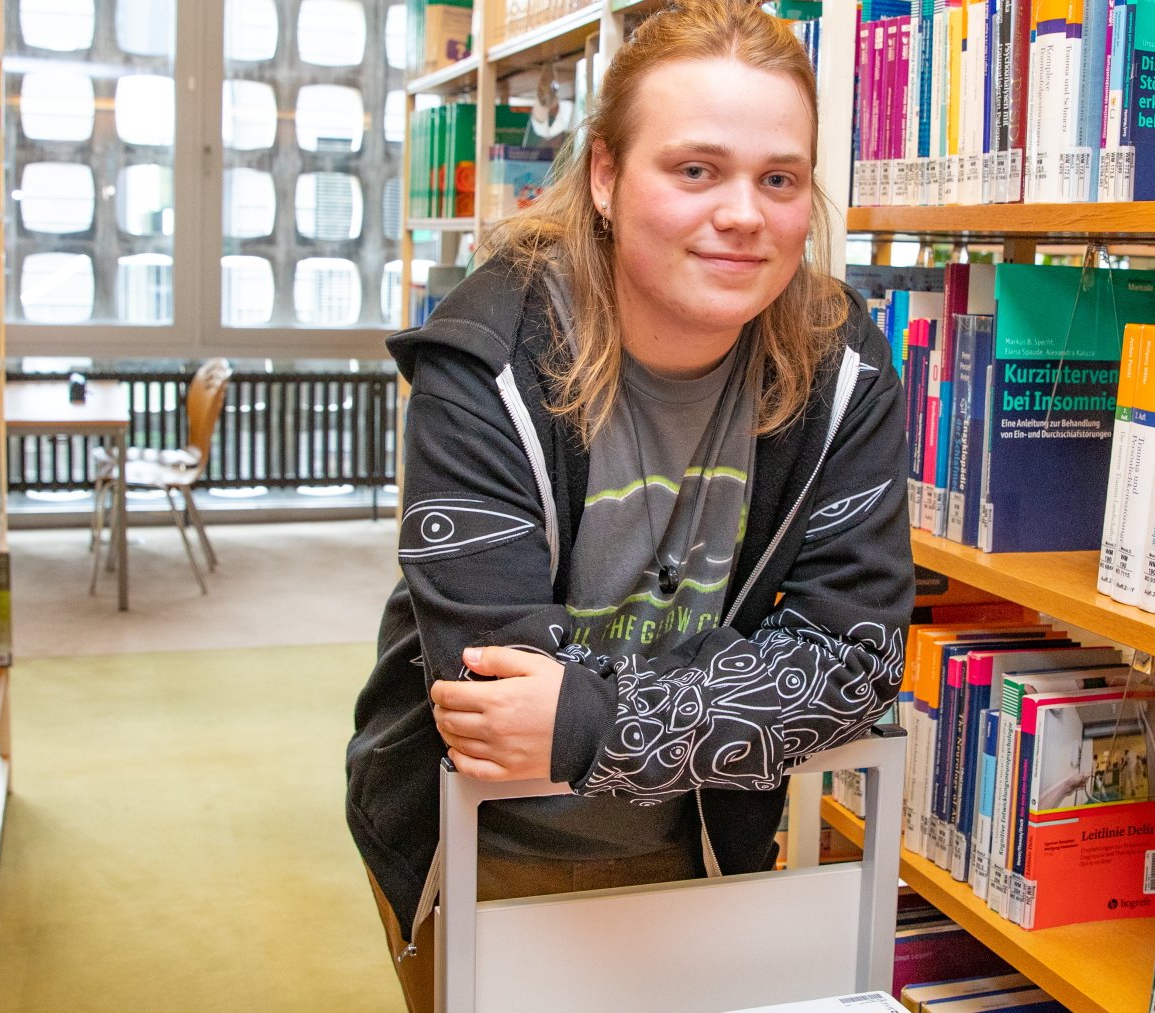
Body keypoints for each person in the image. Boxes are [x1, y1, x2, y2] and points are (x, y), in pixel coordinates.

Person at [343, 1, 913, 1008]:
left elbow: (858, 664)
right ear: (604, 175)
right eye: (694, 169)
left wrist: (590, 714)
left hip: (708, 828)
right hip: (481, 839)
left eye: (777, 178)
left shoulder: (843, 365)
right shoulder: (484, 361)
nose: (742, 213)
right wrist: (749, 685)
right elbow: (489, 697)